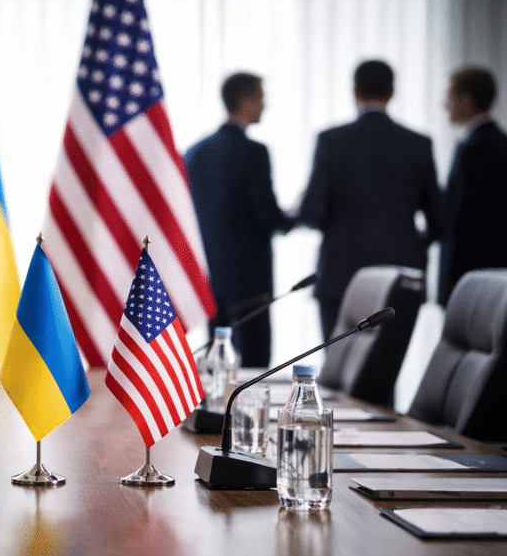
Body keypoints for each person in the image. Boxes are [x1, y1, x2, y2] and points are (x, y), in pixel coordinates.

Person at [300, 60, 445, 338]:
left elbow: (312, 214)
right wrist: (411, 242)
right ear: (392, 92)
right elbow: (439, 221)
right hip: (400, 278)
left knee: (334, 375)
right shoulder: (419, 143)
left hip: (340, 277)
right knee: (384, 373)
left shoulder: (331, 141)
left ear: (355, 92)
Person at [186, 72, 295, 367]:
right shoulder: (253, 152)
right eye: (261, 98)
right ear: (246, 102)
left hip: (209, 274)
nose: (265, 106)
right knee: (255, 365)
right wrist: (293, 217)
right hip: (249, 279)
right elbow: (267, 216)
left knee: (215, 362)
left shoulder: (194, 153)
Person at [437, 66, 507, 306]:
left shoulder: (475, 149)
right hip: (495, 275)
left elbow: (464, 221)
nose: (443, 104)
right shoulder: (498, 142)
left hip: (472, 278)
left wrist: (453, 278)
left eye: (448, 96)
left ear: (466, 99)